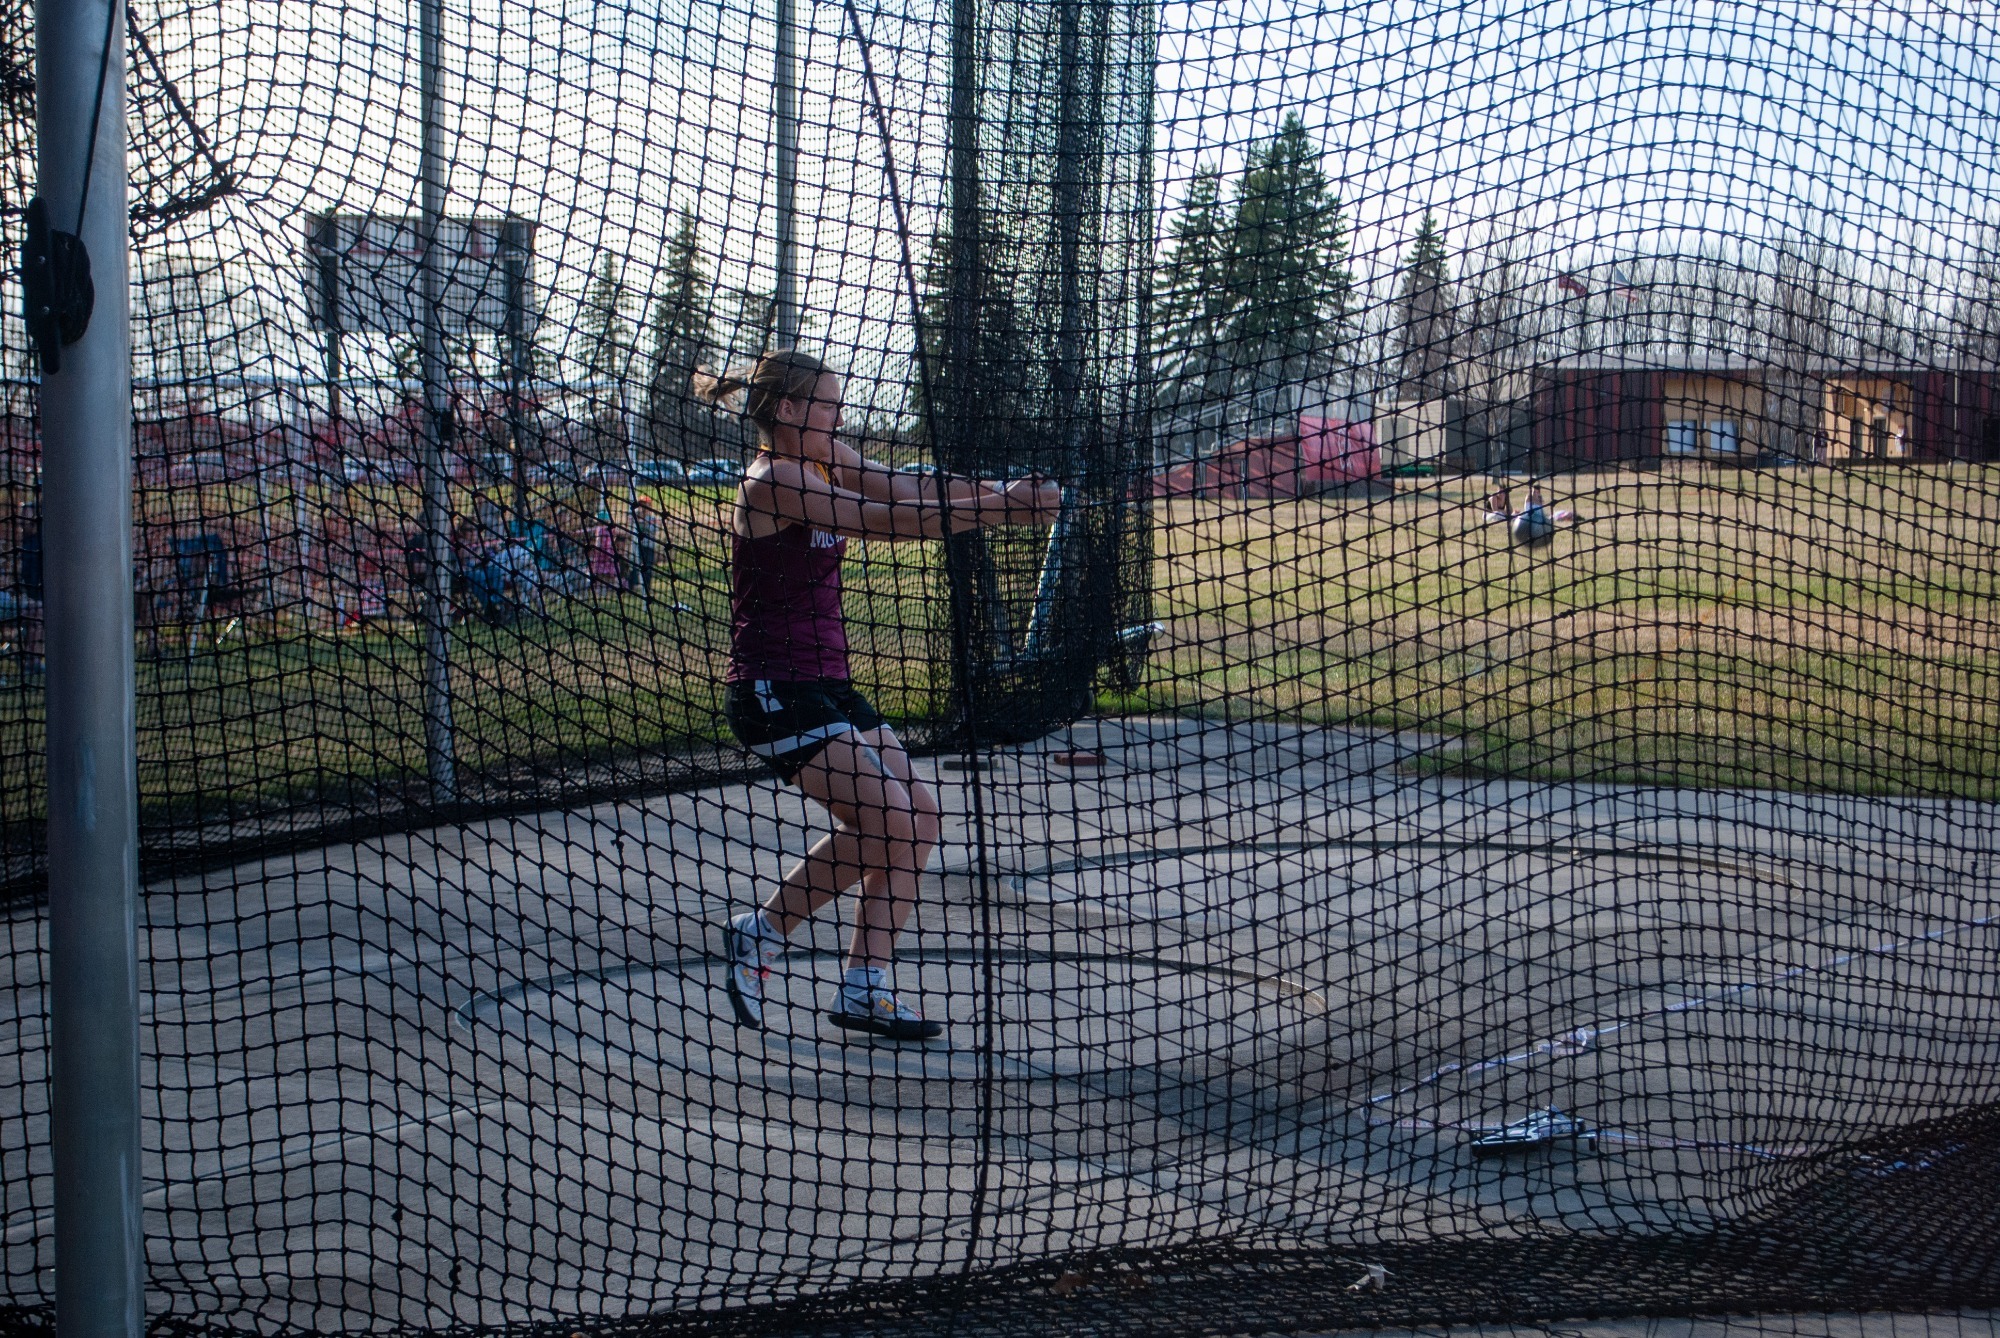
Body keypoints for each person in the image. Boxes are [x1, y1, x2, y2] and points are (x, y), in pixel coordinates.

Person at [697, 348, 1058, 1041]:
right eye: (829, 407)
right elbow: (883, 521)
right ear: (789, 411)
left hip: (828, 685)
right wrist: (1003, 513)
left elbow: (905, 487)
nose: (839, 419)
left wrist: (1003, 488)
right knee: (888, 822)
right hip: (773, 690)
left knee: (918, 819)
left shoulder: (827, 459)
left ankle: (864, 987)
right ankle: (762, 931)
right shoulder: (774, 482)